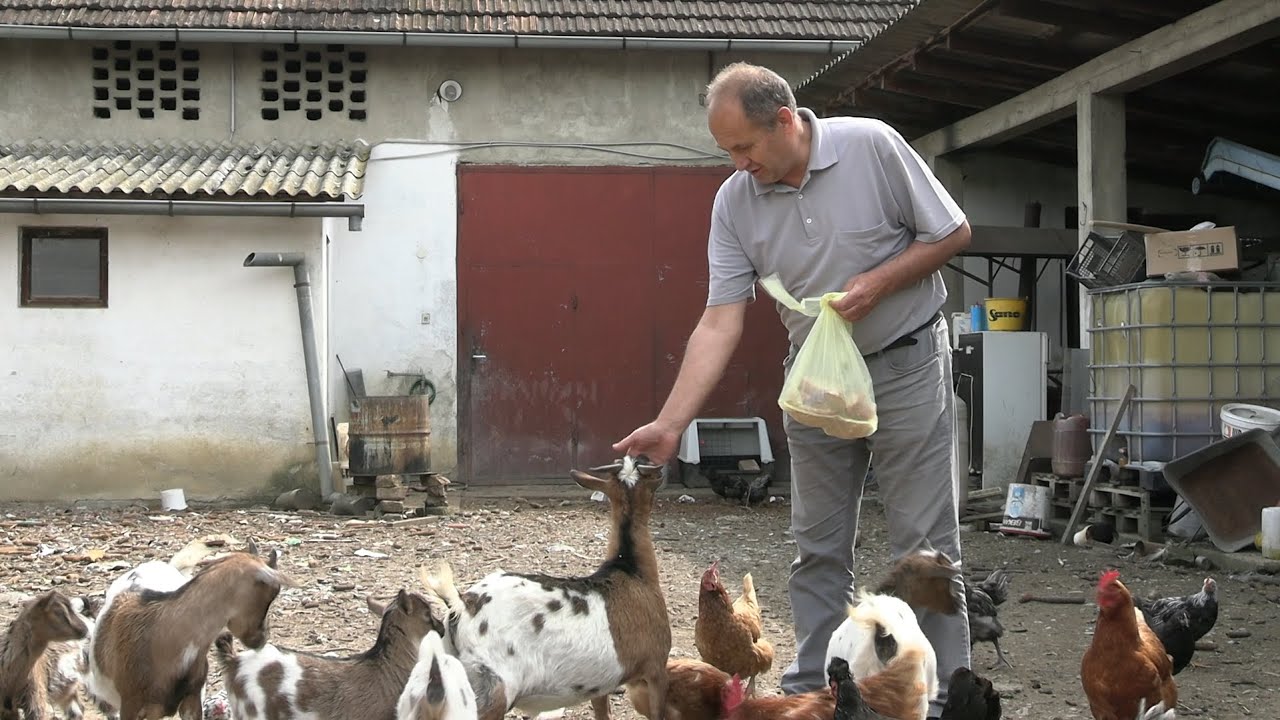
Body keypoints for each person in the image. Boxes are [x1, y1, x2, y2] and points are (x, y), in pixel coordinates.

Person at [612, 62, 973, 718]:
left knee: (925, 550)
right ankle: (815, 700)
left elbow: (952, 232)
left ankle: (946, 699)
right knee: (817, 548)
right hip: (814, 383)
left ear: (785, 120)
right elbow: (720, 320)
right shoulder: (734, 202)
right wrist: (671, 423)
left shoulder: (872, 145)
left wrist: (879, 282)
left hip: (906, 363)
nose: (737, 164)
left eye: (744, 147)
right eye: (727, 151)